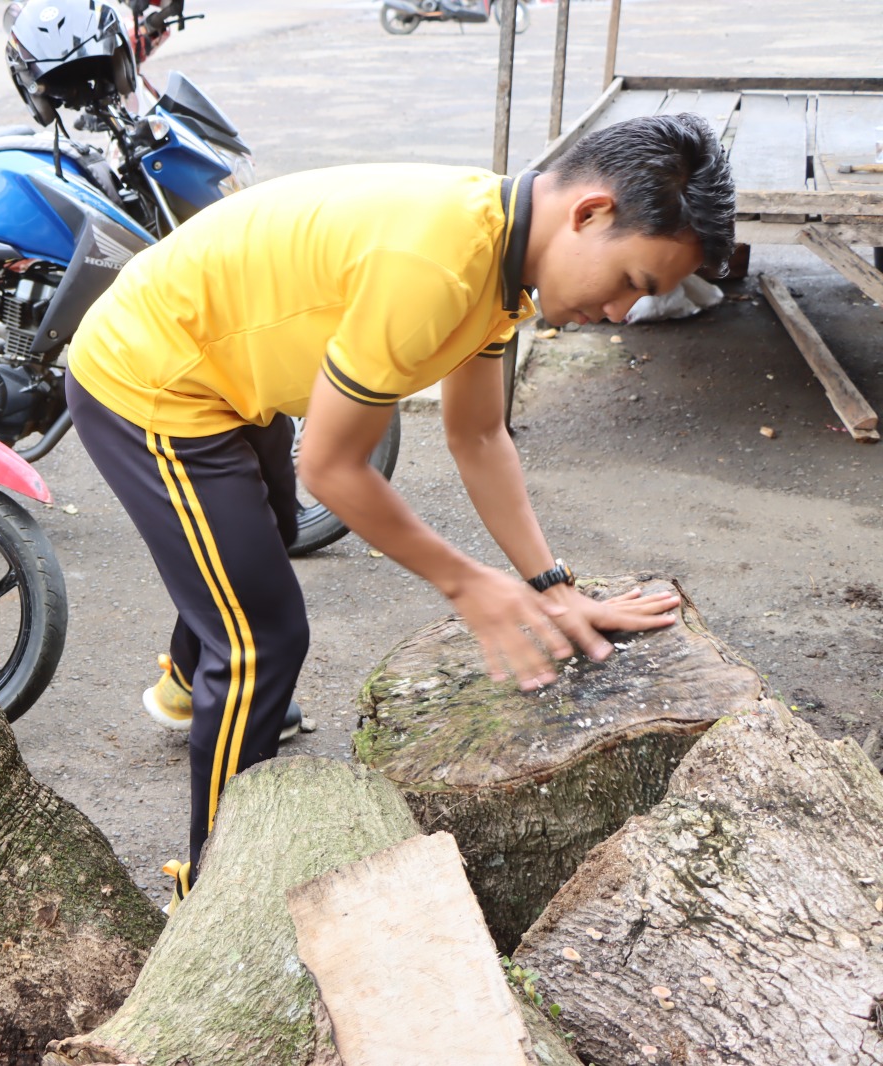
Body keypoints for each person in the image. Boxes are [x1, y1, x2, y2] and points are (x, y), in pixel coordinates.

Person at [64, 113, 736, 909]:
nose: (623, 314)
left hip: (228, 366)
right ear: (589, 215)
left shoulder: (499, 254)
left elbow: (480, 435)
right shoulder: (440, 264)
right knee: (261, 642)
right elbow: (333, 468)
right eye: (632, 283)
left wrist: (549, 584)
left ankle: (188, 682)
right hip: (156, 378)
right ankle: (213, 892)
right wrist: (467, 584)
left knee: (256, 550)